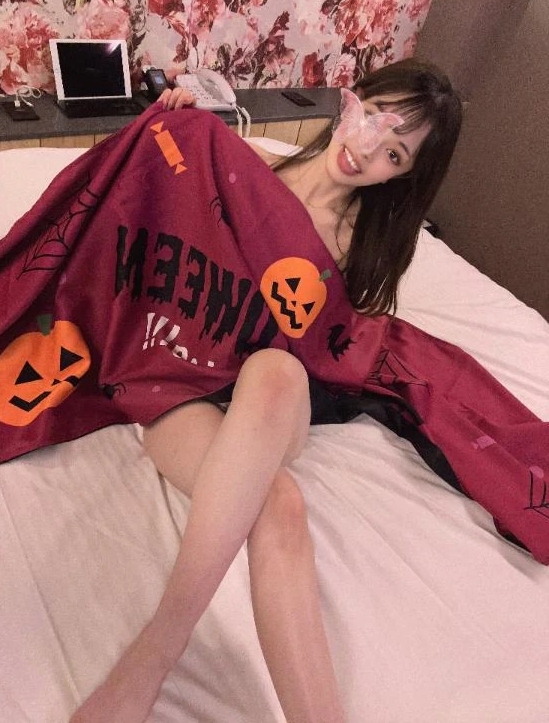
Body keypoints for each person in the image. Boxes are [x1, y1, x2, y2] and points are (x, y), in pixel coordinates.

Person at [69, 58, 462, 723]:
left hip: (274, 399)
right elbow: (139, 216)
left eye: (394, 154)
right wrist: (175, 126)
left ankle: (155, 653)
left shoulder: (360, 245)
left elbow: (329, 349)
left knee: (275, 371)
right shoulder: (239, 166)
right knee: (277, 502)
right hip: (180, 381)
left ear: (402, 176)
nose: (368, 150)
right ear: (351, 99)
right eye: (374, 118)